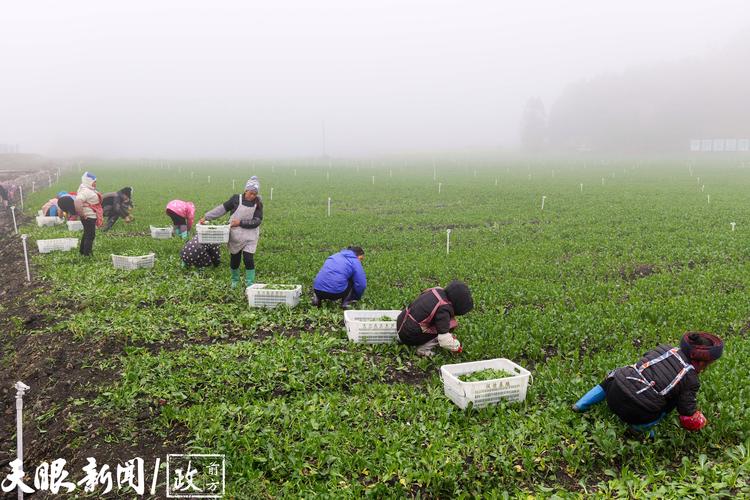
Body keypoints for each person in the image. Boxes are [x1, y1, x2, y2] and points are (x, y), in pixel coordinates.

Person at [572, 332, 724, 437]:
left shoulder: (664, 348)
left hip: (614, 393)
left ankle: (581, 404)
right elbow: (686, 413)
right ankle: (641, 429)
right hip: (637, 413)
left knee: (620, 373)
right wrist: (701, 423)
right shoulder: (690, 379)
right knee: (669, 402)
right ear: (702, 362)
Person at [200, 176, 263, 288]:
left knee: (248, 259)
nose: (252, 196)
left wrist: (240, 222)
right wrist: (207, 217)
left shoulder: (258, 203)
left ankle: (250, 284)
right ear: (246, 190)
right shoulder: (235, 199)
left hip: (250, 235)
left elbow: (257, 221)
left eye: (254, 194)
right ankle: (235, 281)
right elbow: (222, 209)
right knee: (235, 259)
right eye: (250, 193)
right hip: (235, 235)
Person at [396, 280, 473, 356]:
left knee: (439, 323)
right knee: (448, 326)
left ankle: (401, 337)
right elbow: (444, 339)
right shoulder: (444, 308)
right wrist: (456, 346)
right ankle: (423, 350)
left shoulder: (436, 290)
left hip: (401, 322)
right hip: (409, 335)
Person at [73, 172, 103, 256]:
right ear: (89, 181)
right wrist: (82, 214)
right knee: (90, 235)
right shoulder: (85, 191)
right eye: (94, 181)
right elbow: (77, 201)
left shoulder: (88, 189)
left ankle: (82, 251)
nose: (95, 183)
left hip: (89, 216)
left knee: (87, 233)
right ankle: (87, 254)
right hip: (88, 217)